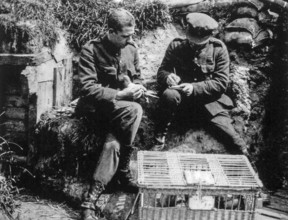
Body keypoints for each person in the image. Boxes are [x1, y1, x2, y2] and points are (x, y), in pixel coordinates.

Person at [76, 8, 146, 220]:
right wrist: (120, 93)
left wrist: (137, 87)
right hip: (95, 109)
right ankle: (123, 171)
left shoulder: (131, 49)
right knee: (135, 110)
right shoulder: (91, 50)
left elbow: (140, 77)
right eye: (125, 35)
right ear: (111, 31)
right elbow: (87, 88)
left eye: (131, 34)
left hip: (121, 112)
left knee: (113, 143)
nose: (129, 39)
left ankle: (90, 199)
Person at [152, 12, 249, 156]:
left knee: (233, 138)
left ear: (209, 37)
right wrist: (168, 77)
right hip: (182, 100)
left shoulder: (218, 49)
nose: (194, 45)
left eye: (200, 43)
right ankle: (159, 138)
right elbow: (162, 71)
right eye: (191, 41)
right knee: (169, 95)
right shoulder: (176, 45)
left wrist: (194, 88)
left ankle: (245, 157)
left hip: (209, 101)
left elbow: (221, 83)